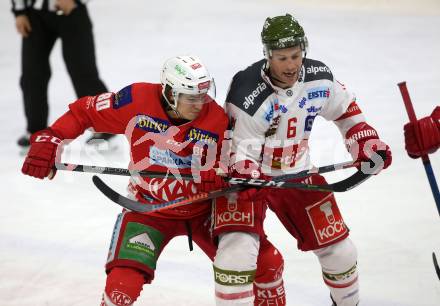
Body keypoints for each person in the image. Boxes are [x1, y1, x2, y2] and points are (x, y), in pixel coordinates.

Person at [21, 55, 285, 306]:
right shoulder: (135, 100)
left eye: (203, 96)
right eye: (191, 98)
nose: (199, 104)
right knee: (120, 288)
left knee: (267, 264)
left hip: (206, 210)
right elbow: (84, 113)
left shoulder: (217, 118)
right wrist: (51, 137)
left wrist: (240, 177)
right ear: (170, 93)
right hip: (149, 208)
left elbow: (242, 160)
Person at [224, 14, 392, 306]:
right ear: (267, 55)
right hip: (250, 183)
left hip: (297, 174)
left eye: (295, 56)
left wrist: (366, 142)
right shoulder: (246, 92)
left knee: (341, 253)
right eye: (281, 58)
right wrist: (244, 173)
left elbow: (347, 113)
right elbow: (237, 151)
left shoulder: (318, 76)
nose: (290, 66)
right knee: (238, 258)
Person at [11, 0, 113, 148]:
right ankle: (36, 130)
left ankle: (105, 125)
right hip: (35, 15)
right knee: (32, 74)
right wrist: (19, 12)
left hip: (72, 12)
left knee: (83, 72)